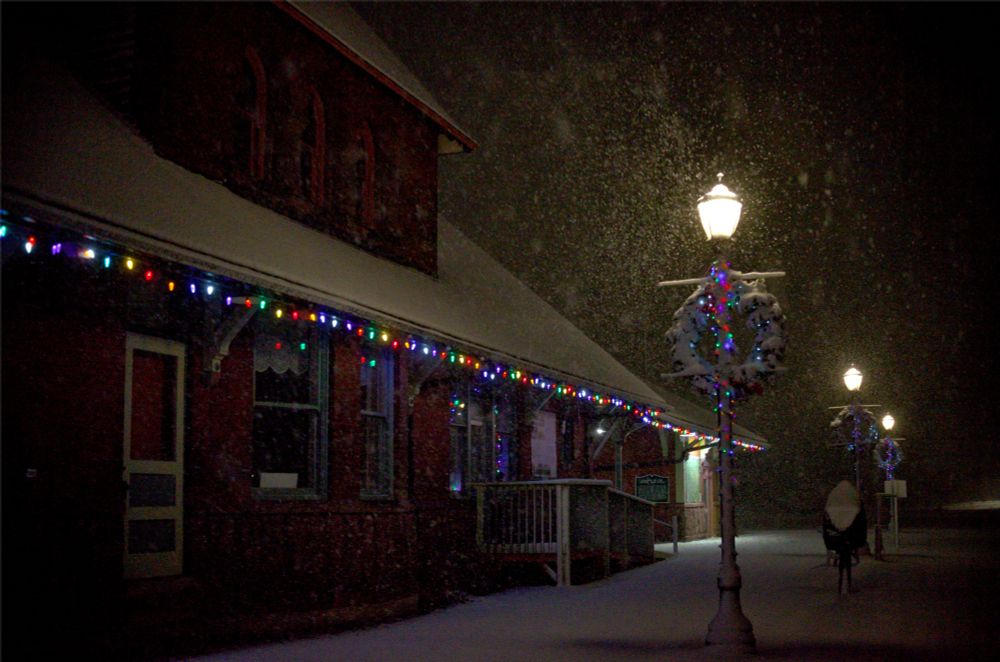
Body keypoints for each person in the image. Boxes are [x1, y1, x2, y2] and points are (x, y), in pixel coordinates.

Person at [822, 480, 867, 594]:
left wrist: (829, 536)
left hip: (835, 534)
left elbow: (825, 520)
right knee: (848, 553)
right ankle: (848, 582)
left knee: (841, 553)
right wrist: (861, 540)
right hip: (850, 533)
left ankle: (842, 580)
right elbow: (862, 521)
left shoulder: (833, 498)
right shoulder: (854, 498)